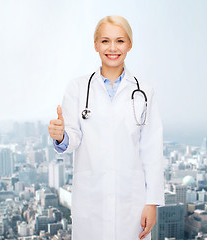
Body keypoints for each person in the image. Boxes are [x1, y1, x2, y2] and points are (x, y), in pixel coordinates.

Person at [48, 15, 165, 240]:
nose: (113, 48)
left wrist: (152, 203)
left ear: (130, 45)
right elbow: (73, 137)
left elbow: (151, 151)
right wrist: (61, 136)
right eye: (105, 41)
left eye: (120, 41)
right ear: (95, 45)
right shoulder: (78, 88)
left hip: (132, 202)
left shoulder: (144, 91)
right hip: (91, 200)